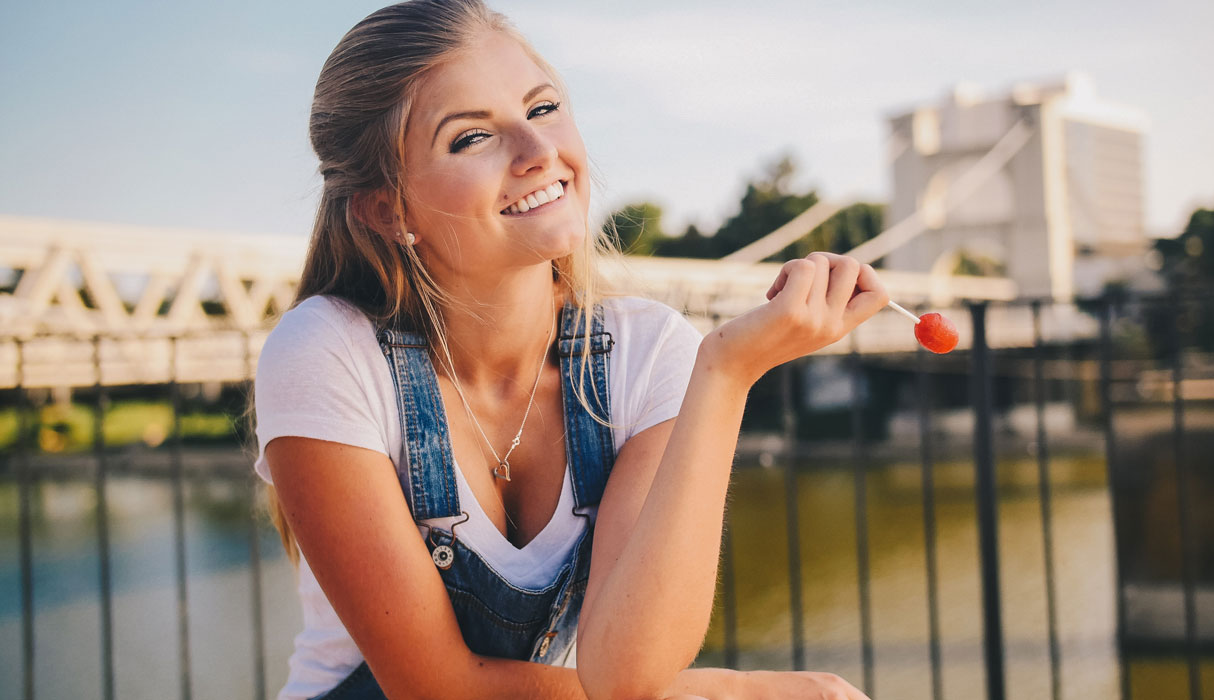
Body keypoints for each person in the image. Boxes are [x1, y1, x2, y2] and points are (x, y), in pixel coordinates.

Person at [252, 1, 887, 698]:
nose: (538, 152)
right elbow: (437, 688)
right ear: (388, 209)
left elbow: (627, 675)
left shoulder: (646, 354)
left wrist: (727, 373)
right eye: (470, 138)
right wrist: (727, 691)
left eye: (544, 108)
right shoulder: (329, 353)